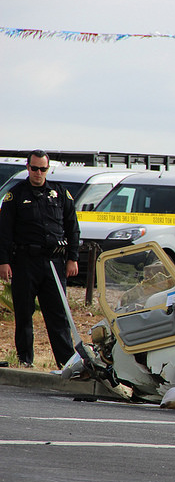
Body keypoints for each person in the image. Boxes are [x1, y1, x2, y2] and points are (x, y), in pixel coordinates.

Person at [0, 149, 80, 368]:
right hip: (25, 262)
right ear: (28, 167)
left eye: (42, 169)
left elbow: (73, 228)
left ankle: (66, 363)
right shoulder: (15, 196)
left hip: (54, 263)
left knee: (58, 316)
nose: (38, 173)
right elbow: (4, 232)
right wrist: (3, 261)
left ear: (48, 169)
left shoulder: (60, 194)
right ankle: (26, 361)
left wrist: (73, 258)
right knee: (24, 314)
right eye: (34, 168)